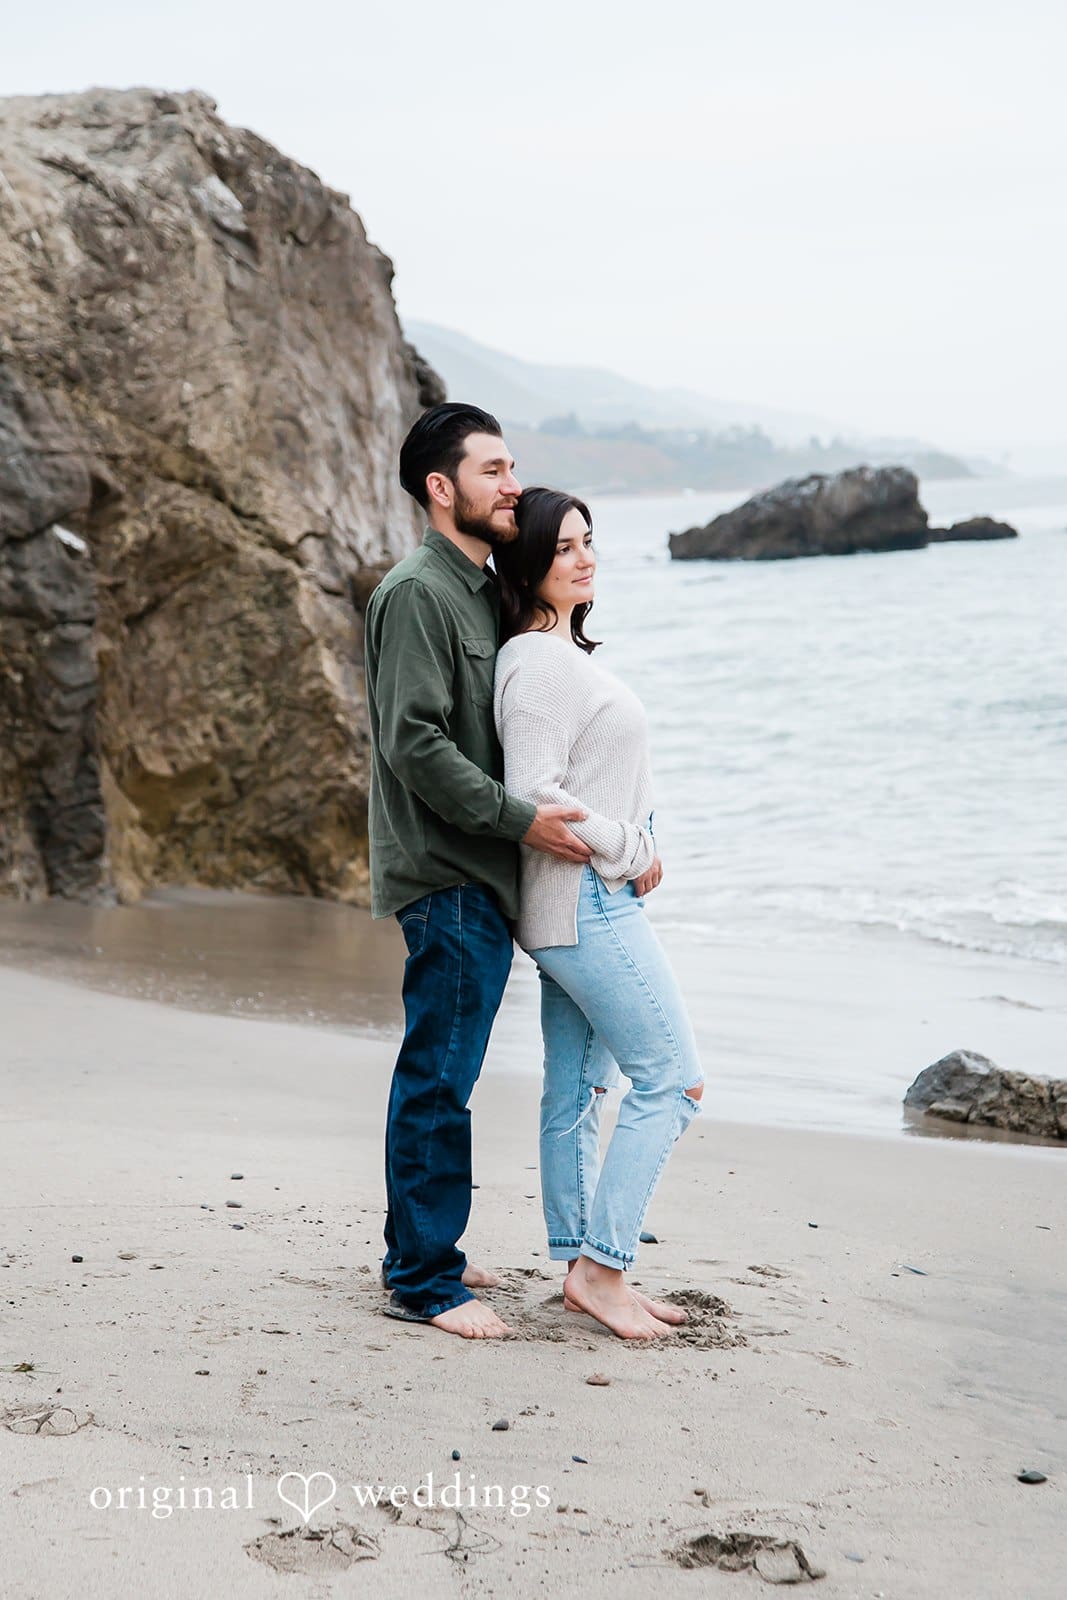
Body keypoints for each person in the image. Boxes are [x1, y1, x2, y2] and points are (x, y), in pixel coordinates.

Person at [364, 404, 593, 1340]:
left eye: (511, 468)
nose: (512, 484)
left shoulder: (476, 590)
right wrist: (521, 820)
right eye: (493, 470)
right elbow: (411, 742)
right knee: (438, 1078)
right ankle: (423, 1281)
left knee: (442, 1072)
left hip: (478, 875)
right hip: (448, 871)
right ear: (440, 487)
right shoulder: (418, 591)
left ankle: (424, 1249)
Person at [493, 487, 705, 1341]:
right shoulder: (538, 662)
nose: (584, 558)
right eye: (563, 548)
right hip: (584, 903)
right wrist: (629, 847)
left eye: (589, 541)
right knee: (674, 1081)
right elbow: (531, 795)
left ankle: (582, 1266)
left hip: (576, 904)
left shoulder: (553, 656)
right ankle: (605, 1268)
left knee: (580, 1088)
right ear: (527, 565)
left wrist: (633, 844)